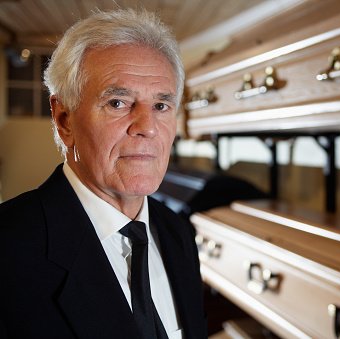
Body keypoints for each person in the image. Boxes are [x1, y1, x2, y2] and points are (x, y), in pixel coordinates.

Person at [0, 9, 207, 339]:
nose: (147, 128)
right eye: (117, 103)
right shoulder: (7, 250)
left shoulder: (178, 233)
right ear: (64, 119)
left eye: (161, 106)